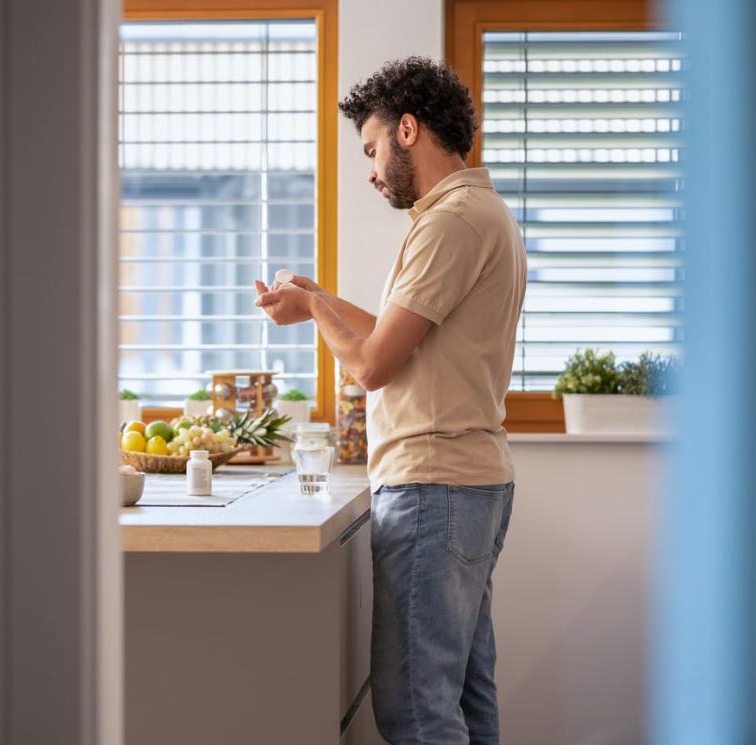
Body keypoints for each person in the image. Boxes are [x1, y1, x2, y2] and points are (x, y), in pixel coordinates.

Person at [254, 56, 526, 745]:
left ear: (409, 130)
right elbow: (396, 337)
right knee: (463, 697)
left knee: (414, 711)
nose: (371, 171)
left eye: (372, 149)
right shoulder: (476, 211)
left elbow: (373, 366)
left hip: (434, 486)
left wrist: (316, 313)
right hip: (470, 481)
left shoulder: (450, 223)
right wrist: (317, 298)